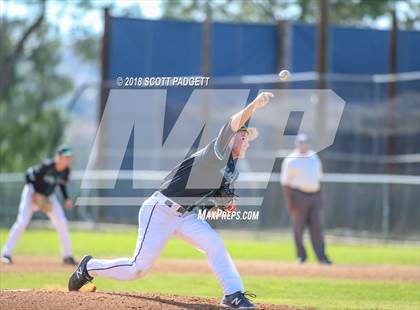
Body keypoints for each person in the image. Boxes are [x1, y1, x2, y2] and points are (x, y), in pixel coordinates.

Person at [68, 92, 274, 309]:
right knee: (138, 269)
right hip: (160, 211)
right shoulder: (217, 152)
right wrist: (252, 106)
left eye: (248, 139)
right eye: (243, 137)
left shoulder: (231, 171)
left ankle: (233, 294)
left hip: (186, 216)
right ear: (231, 139)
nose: (247, 141)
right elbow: (232, 124)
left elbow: (209, 203)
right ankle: (89, 267)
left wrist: (219, 207)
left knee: (215, 245)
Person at [1, 146, 78, 266]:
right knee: (22, 222)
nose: (68, 159)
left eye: (69, 157)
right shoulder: (47, 166)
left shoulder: (66, 171)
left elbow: (62, 185)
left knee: (62, 221)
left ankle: (67, 255)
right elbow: (28, 175)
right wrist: (35, 194)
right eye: (65, 157)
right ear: (58, 157)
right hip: (31, 193)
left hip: (48, 196)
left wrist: (66, 198)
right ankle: (6, 253)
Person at [281, 134, 332, 265]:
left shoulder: (314, 156)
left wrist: (320, 198)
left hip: (314, 195)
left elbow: (319, 179)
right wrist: (290, 203)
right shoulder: (290, 160)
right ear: (297, 144)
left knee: (317, 227)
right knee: (298, 228)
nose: (304, 145)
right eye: (301, 142)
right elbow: (286, 183)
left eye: (306, 142)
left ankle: (322, 257)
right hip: (299, 196)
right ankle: (301, 256)